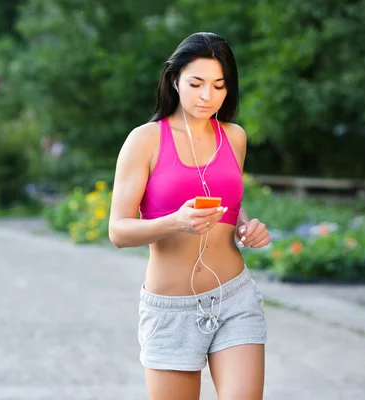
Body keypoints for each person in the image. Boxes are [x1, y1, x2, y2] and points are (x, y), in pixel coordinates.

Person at [108, 32, 272, 400]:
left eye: (218, 85)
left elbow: (229, 203)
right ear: (174, 80)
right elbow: (118, 231)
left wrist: (247, 226)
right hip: (171, 311)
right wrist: (176, 222)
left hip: (235, 298)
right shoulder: (145, 139)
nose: (206, 96)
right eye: (196, 83)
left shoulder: (234, 136)